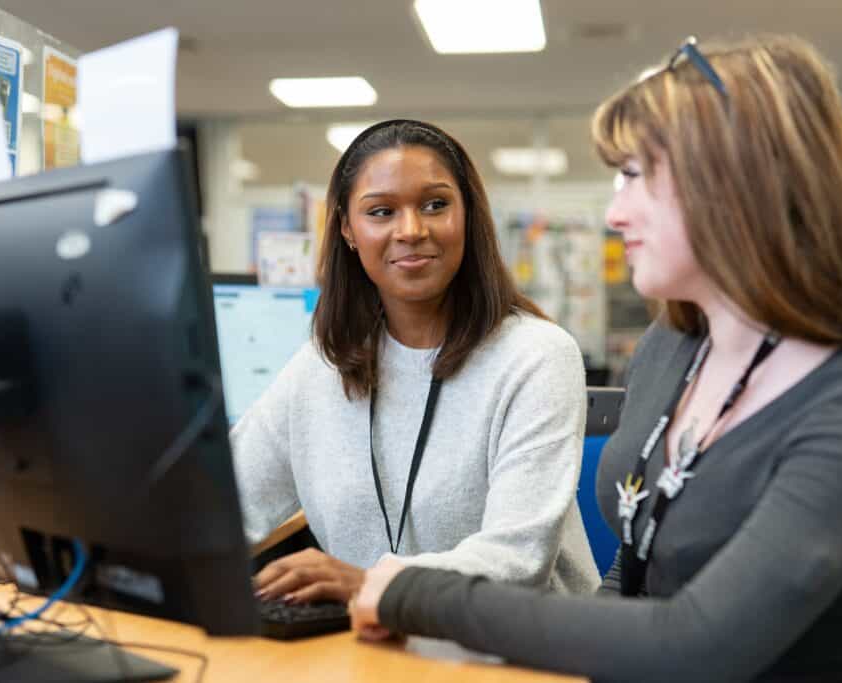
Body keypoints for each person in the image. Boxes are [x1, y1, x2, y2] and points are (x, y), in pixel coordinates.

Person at [350, 36, 842, 682]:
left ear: (735, 182)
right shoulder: (673, 346)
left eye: (634, 176)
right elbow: (637, 560)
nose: (614, 213)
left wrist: (416, 592)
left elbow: (693, 640)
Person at [232, 119, 598, 606]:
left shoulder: (536, 357)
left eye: (435, 205)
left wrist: (368, 584)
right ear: (347, 229)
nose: (411, 230)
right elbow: (226, 504)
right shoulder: (321, 367)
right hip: (376, 647)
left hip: (522, 651)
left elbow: (518, 560)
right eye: (381, 212)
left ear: (468, 214)